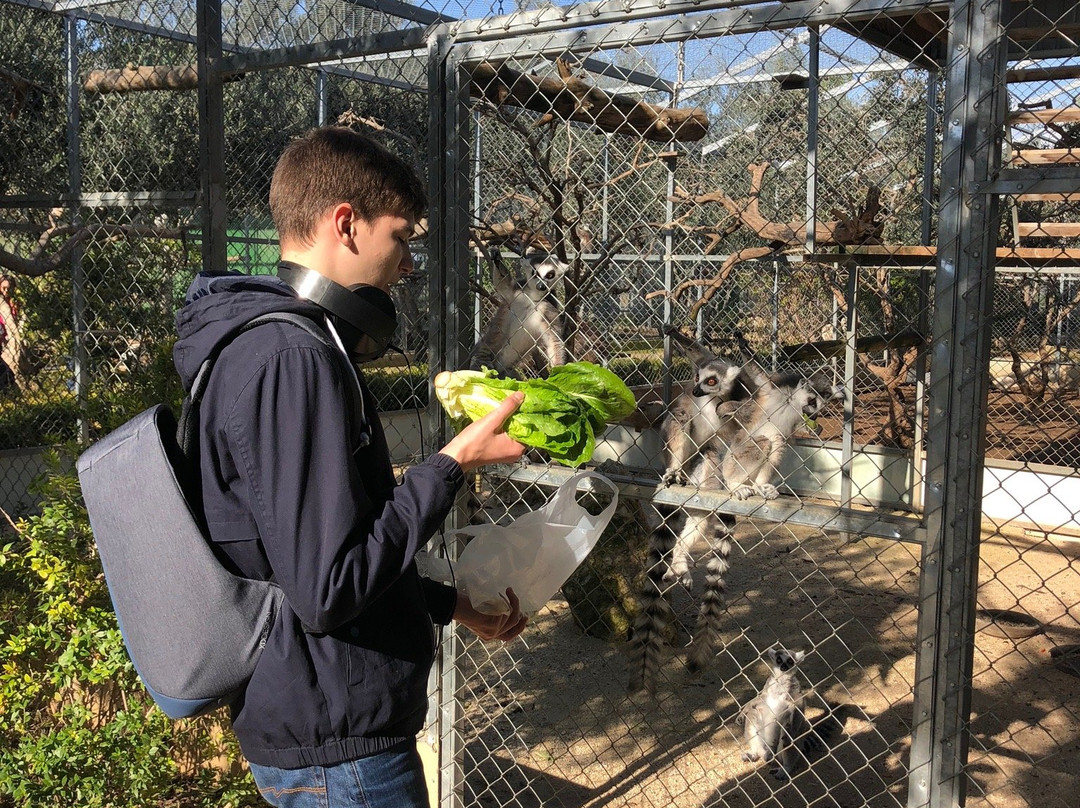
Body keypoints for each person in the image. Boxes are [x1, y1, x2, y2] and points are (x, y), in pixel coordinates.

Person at [171, 126, 528, 807]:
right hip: (341, 752)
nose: (406, 265)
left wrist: (446, 604)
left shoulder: (275, 344)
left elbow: (305, 559)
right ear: (346, 223)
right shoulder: (291, 358)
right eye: (401, 238)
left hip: (323, 727)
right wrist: (451, 465)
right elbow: (327, 588)